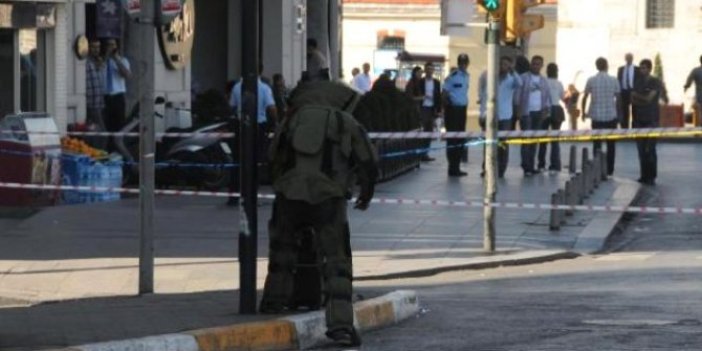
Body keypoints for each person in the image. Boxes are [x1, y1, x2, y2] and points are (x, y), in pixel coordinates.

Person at [260, 81, 378, 347]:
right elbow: (368, 161)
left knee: (282, 252)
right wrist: (366, 193)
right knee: (336, 261)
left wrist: (283, 186)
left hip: (288, 195)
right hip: (328, 199)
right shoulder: (345, 121)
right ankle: (340, 326)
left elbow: (273, 156)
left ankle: (273, 302)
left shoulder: (293, 119)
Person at [227, 75, 277, 206]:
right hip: (258, 127)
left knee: (238, 161)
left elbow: (231, 106)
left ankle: (233, 195)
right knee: (256, 162)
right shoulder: (264, 88)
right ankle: (252, 196)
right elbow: (271, 108)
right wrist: (276, 122)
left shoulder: (237, 87)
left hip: (241, 126)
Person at [478, 56, 522, 178]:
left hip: (505, 116)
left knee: (503, 145)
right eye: (501, 64)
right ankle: (486, 168)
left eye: (506, 65)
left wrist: (513, 71)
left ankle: (501, 170)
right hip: (490, 116)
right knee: (488, 144)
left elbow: (520, 83)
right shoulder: (490, 78)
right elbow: (483, 97)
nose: (503, 67)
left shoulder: (511, 79)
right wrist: (481, 114)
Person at [581, 57, 621, 177]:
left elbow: (585, 97)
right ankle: (609, 170)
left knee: (597, 144)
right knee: (611, 145)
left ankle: (597, 169)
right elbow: (618, 98)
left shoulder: (591, 80)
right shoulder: (614, 80)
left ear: (597, 66)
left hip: (596, 116)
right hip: (611, 116)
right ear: (606, 66)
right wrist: (619, 113)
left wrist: (584, 112)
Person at [516, 55, 551, 177]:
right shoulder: (524, 78)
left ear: (542, 66)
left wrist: (545, 111)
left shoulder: (543, 80)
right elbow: (517, 95)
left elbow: (547, 97)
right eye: (534, 63)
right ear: (531, 64)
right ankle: (526, 167)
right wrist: (518, 110)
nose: (536, 66)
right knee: (526, 140)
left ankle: (532, 165)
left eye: (538, 64)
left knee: (534, 140)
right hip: (526, 113)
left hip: (538, 113)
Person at [631, 59, 662, 186]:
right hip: (639, 119)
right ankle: (644, 175)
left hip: (651, 119)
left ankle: (652, 176)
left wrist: (639, 97)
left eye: (644, 68)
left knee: (651, 149)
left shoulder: (655, 82)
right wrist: (641, 99)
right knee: (641, 150)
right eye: (640, 68)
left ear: (649, 68)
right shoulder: (638, 82)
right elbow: (632, 99)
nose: (641, 70)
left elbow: (650, 99)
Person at [442, 54, 471, 177]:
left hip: (462, 110)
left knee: (460, 138)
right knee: (452, 139)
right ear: (458, 63)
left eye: (465, 63)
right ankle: (452, 167)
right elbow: (444, 93)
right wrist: (447, 108)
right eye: (461, 63)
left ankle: (457, 166)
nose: (463, 65)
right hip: (453, 110)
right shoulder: (453, 76)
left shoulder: (467, 76)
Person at [103, 38, 131, 152]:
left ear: (117, 46)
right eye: (108, 45)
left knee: (119, 127)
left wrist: (115, 59)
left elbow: (127, 75)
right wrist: (107, 56)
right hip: (105, 98)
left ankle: (119, 152)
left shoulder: (123, 60)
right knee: (107, 127)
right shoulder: (103, 61)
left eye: (113, 45)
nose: (111, 47)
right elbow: (99, 68)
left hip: (118, 97)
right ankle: (109, 151)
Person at [538, 63, 566, 173]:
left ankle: (541, 164)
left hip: (545, 110)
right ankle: (555, 164)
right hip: (557, 110)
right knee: (555, 139)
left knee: (543, 138)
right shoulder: (559, 83)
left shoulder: (543, 81)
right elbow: (562, 97)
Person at [85, 39, 106, 150]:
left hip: (99, 103)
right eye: (93, 47)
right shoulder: (86, 62)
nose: (96, 50)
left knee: (95, 131)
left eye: (98, 47)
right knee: (102, 133)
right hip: (91, 104)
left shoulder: (99, 62)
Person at [419, 62, 442, 162]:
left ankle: (425, 153)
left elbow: (439, 97)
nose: (429, 71)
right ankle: (420, 153)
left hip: (432, 108)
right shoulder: (421, 81)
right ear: (425, 70)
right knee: (423, 131)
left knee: (429, 131)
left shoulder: (436, 82)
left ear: (433, 71)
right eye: (428, 69)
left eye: (431, 69)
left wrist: (439, 110)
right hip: (423, 108)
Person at [617, 53, 639, 129]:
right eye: (627, 58)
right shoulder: (621, 69)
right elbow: (619, 80)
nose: (628, 59)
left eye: (630, 58)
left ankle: (635, 128)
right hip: (624, 92)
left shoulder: (637, 69)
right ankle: (624, 128)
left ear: (632, 59)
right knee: (624, 111)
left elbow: (639, 81)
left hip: (634, 92)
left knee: (635, 111)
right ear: (625, 59)